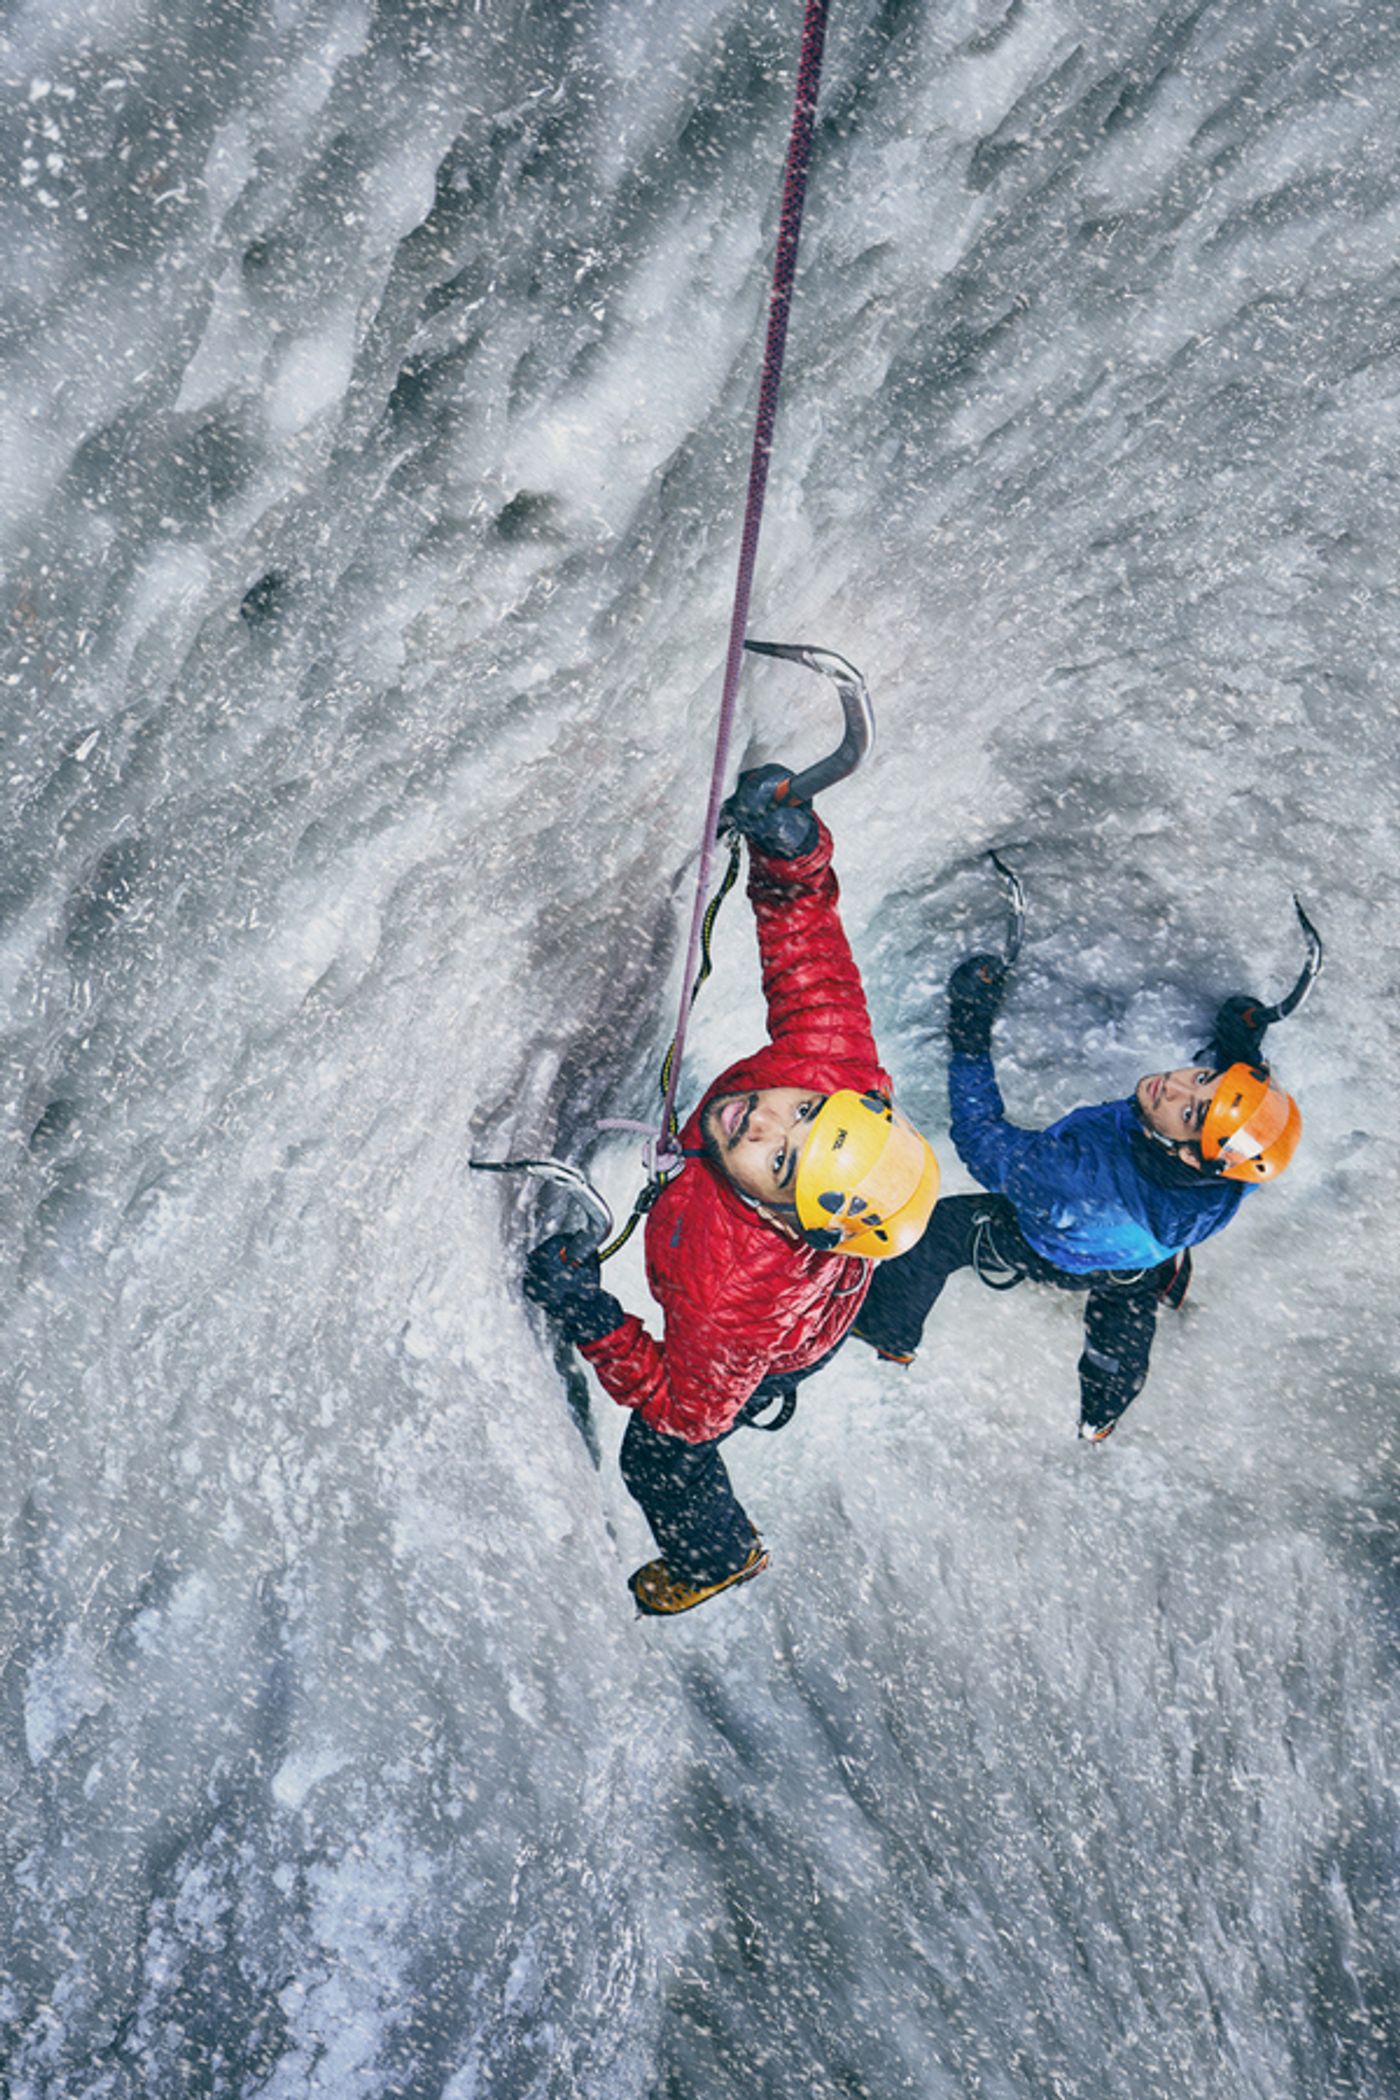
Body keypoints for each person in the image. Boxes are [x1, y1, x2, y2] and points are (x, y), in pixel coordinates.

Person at [523, 766, 940, 1616]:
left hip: (781, 1339)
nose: (764, 1121)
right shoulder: (835, 1081)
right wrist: (792, 859)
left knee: (657, 1457)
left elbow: (689, 1413)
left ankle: (716, 1555)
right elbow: (812, 968)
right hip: (824, 1294)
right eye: (802, 1115)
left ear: (783, 1216)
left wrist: (589, 1314)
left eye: (782, 1165)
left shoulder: (734, 1296)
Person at [852, 947, 1303, 1441]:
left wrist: (970, 1028)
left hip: (1059, 1245)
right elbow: (1243, 1123)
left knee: (942, 1231)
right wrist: (1240, 1047)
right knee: (1125, 1304)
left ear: (1193, 1157)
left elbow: (980, 1138)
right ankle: (1103, 1408)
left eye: (1190, 1112)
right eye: (1202, 1079)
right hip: (1141, 1252)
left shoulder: (1069, 1180)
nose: (1173, 1086)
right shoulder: (1230, 1169)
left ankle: (886, 1330)